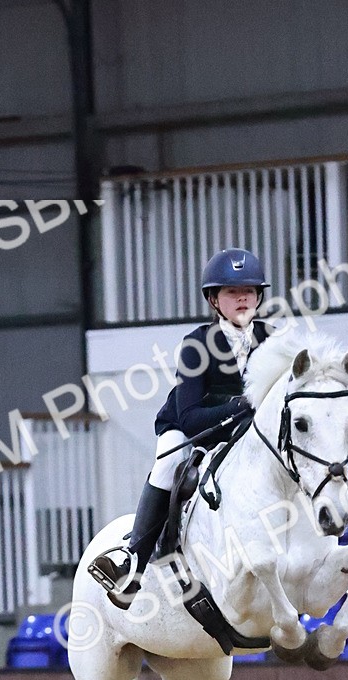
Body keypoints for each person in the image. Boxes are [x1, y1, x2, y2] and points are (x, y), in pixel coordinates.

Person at [89, 247, 271, 608]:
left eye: (249, 291)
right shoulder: (196, 344)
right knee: (169, 464)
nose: (243, 298)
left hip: (245, 435)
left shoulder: (273, 340)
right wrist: (240, 406)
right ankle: (132, 559)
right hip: (191, 428)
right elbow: (189, 417)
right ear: (214, 299)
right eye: (233, 292)